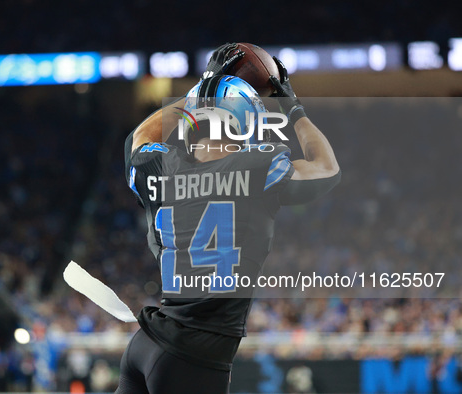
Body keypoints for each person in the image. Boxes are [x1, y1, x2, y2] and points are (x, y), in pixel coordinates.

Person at [118, 43, 341, 394]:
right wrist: (292, 107)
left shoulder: (159, 168)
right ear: (247, 119)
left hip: (146, 344)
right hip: (193, 359)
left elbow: (140, 138)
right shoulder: (257, 168)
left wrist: (205, 87)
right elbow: (326, 169)